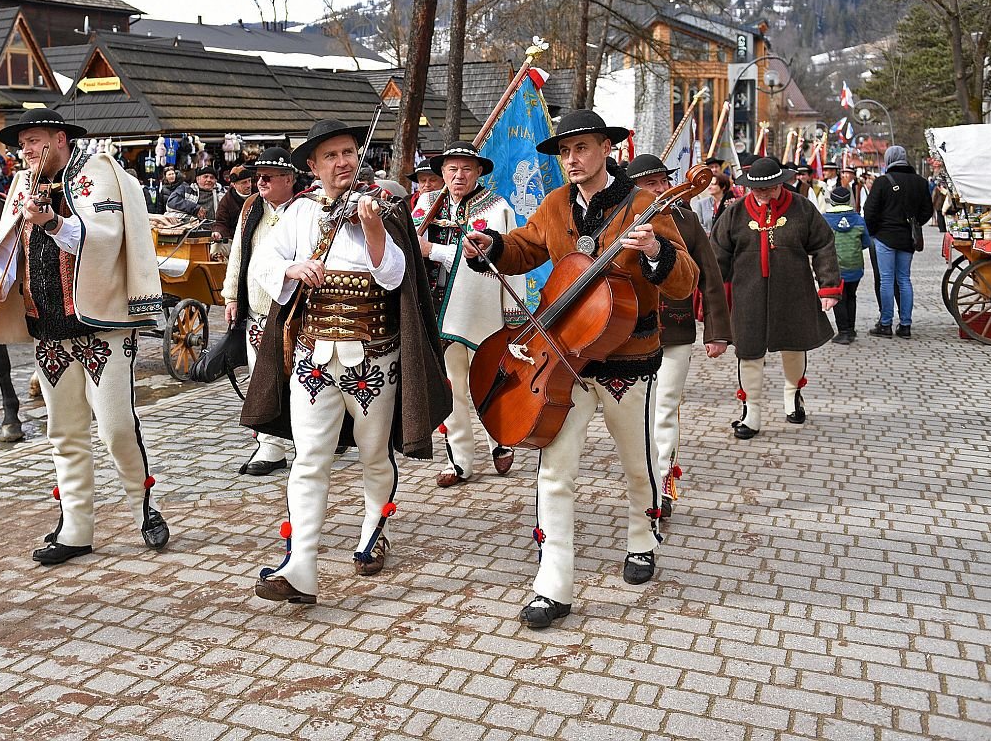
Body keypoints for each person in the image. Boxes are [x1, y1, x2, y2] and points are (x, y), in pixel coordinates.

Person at [462, 109, 698, 629]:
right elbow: (526, 246)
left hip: (626, 360)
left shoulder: (644, 204)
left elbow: (684, 279)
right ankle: (553, 581)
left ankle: (642, 538)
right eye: (565, 152)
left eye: (582, 148)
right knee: (555, 471)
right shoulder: (555, 204)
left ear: (606, 150)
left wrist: (657, 250)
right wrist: (492, 247)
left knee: (637, 463)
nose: (572, 160)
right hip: (562, 361)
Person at [0, 107, 169, 566]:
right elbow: (10, 243)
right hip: (47, 329)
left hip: (100, 327)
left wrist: (52, 222)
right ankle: (76, 527)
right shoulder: (23, 184)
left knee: (116, 427)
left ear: (60, 138)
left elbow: (105, 237)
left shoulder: (97, 173)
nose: (25, 150)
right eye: (21, 144)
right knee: (63, 432)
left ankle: (143, 506)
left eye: (34, 140)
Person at [241, 118, 450, 605]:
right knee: (310, 458)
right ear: (312, 166)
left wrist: (374, 227)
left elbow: (397, 277)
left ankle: (372, 533)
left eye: (350, 152)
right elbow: (264, 263)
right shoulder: (296, 213)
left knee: (374, 453)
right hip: (314, 358)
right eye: (332, 155)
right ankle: (301, 565)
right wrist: (292, 268)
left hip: (375, 359)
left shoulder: (386, 208)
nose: (343, 162)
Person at [625, 154, 731, 520]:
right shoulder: (619, 216)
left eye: (663, 181)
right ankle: (641, 476)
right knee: (635, 413)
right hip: (627, 331)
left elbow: (710, 275)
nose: (660, 189)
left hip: (676, 328)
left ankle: (663, 481)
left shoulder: (684, 218)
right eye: (650, 183)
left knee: (665, 407)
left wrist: (716, 332)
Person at [413, 141, 524, 487]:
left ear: (478, 172)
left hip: (480, 308)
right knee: (452, 387)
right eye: (451, 169)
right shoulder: (427, 204)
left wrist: (512, 313)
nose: (458, 175)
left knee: (487, 380)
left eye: (466, 169)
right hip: (436, 308)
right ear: (441, 172)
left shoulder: (497, 208)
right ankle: (459, 460)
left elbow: (511, 262)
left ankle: (500, 438)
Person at [710, 157, 841, 440]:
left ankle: (793, 395)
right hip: (748, 295)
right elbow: (717, 253)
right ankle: (751, 411)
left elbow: (823, 244)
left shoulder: (802, 208)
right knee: (748, 352)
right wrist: (710, 293)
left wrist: (829, 286)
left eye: (769, 188)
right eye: (757, 189)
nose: (763, 194)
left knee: (794, 345)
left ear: (780, 183)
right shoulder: (734, 213)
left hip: (793, 291)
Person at [223, 148, 297, 476]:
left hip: (297, 313)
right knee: (261, 379)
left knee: (303, 380)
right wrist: (230, 297)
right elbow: (239, 253)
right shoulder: (251, 206)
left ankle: (324, 436)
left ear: (290, 179)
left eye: (269, 175)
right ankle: (270, 447)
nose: (261, 181)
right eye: (259, 175)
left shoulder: (307, 207)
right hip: (258, 310)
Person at [864, 145, 934, 339]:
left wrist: (874, 231)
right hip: (907, 239)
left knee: (886, 280)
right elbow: (928, 210)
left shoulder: (882, 182)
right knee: (904, 280)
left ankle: (885, 324)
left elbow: (869, 211)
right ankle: (905, 325)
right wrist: (915, 222)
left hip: (885, 237)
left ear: (888, 159)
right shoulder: (920, 183)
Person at [824, 186, 870, 344]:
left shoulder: (825, 219)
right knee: (851, 296)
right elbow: (866, 242)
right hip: (855, 266)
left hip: (835, 267)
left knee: (838, 298)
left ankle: (843, 332)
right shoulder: (859, 219)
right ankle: (850, 329)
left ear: (833, 200)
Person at [212, 164, 254, 243]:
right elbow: (221, 222)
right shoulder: (226, 201)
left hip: (256, 237)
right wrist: (219, 232)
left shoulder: (258, 195)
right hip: (234, 239)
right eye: (244, 182)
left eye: (249, 181)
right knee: (216, 248)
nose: (249, 185)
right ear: (234, 185)